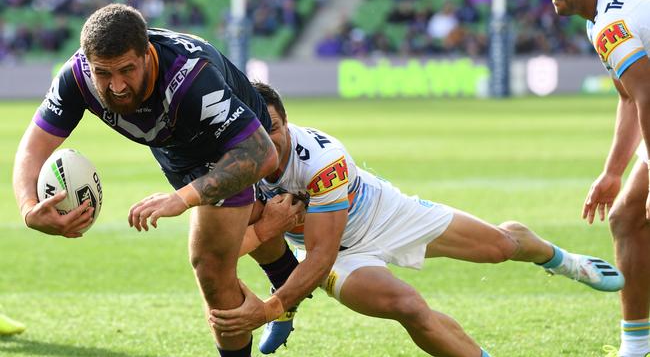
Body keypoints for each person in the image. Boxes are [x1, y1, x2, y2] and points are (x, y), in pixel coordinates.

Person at [209, 83, 625, 356]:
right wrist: (266, 230)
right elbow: (220, 253)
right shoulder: (235, 162)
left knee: (500, 247)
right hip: (343, 258)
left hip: (387, 215)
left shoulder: (322, 160)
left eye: (275, 128)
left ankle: (561, 259)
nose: (266, 141)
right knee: (407, 306)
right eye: (256, 132)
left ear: (287, 121)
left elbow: (319, 254)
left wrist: (268, 308)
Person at [11, 4, 278, 357]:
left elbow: (261, 153)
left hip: (235, 142)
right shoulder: (76, 76)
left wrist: (183, 198)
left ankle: (281, 303)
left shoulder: (190, 77)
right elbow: (33, 147)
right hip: (173, 147)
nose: (117, 86)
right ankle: (285, 293)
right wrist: (30, 210)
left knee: (211, 267)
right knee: (246, 236)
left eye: (127, 70)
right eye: (103, 73)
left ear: (147, 54)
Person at [547, 0, 650, 356]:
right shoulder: (600, 20)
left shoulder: (611, 23)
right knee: (626, 218)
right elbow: (629, 97)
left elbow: (647, 94)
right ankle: (635, 347)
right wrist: (612, 172)